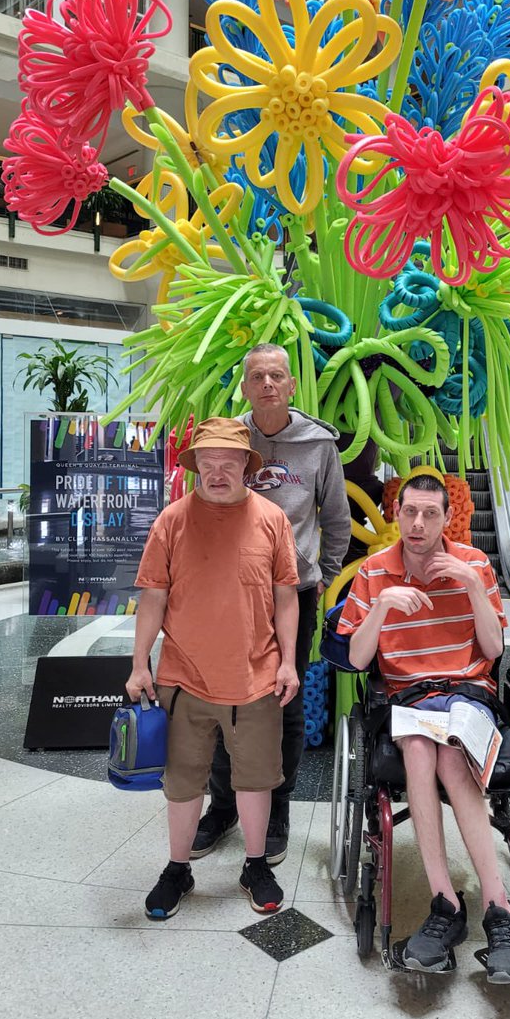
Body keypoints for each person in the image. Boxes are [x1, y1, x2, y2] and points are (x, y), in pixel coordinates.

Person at [337, 473, 510, 984]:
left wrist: (472, 587)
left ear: (448, 518)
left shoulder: (475, 564)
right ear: (396, 514)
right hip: (407, 698)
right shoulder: (375, 572)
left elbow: (492, 651)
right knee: (421, 750)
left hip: (469, 692)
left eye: (430, 514)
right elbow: (358, 660)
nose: (418, 524)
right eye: (409, 513)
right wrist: (381, 608)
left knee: (449, 754)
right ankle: (445, 902)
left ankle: (499, 906)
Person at [126, 417, 300, 921]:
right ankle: (177, 868)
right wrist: (141, 664)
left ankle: (254, 864)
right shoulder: (172, 521)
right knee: (182, 783)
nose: (218, 472)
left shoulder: (272, 519)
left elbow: (285, 597)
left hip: (256, 677)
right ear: (195, 465)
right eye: (209, 462)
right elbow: (153, 597)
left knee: (256, 780)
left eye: (229, 462)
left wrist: (288, 662)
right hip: (183, 679)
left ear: (247, 466)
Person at [192, 343, 351, 865]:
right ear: (244, 386)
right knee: (220, 697)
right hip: (229, 595)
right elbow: (202, 507)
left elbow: (336, 521)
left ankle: (278, 805)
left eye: (276, 375)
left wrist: (321, 577)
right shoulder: (228, 437)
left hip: (294, 596)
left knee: (284, 698)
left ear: (290, 385)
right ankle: (223, 806)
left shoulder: (318, 442)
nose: (266, 384)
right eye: (257, 376)